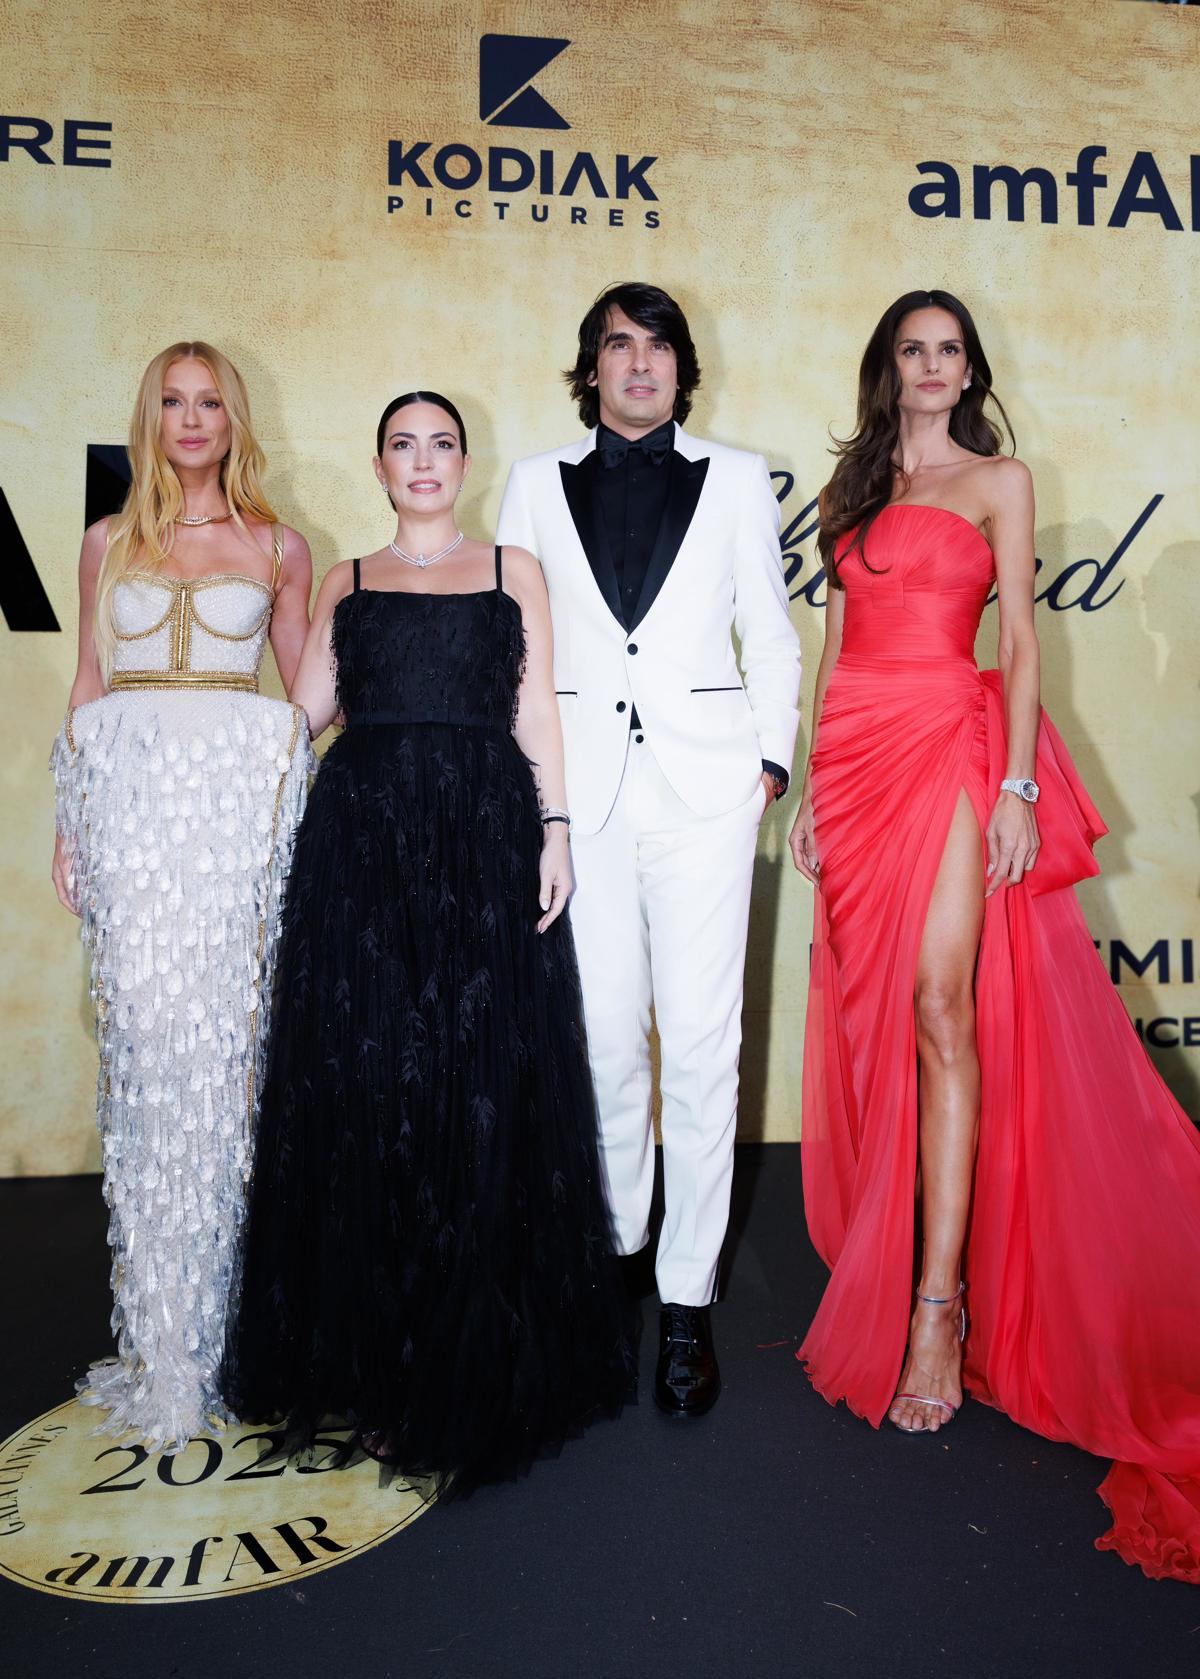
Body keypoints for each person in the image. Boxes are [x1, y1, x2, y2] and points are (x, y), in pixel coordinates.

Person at [789, 288, 1200, 1583]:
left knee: (940, 1006)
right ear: (888, 367)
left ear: (969, 370)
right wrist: (810, 786)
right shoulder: (850, 490)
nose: (931, 366)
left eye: (949, 350)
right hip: (855, 758)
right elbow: (832, 648)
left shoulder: (1000, 481)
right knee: (878, 1017)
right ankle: (894, 1246)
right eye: (912, 349)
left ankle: (937, 1307)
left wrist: (1019, 782)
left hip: (951, 748)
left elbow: (1020, 639)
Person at [224, 392, 631, 1492]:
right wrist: (200, 722)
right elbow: (302, 715)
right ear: (378, 465)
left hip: (483, 838)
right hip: (361, 847)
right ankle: (377, 1359)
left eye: (440, 443)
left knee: (472, 1082)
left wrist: (555, 829)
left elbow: (536, 713)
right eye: (402, 444)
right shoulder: (348, 579)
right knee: (370, 1090)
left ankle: (464, 1353)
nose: (422, 460)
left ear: (464, 461)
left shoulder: (511, 570)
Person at [498, 284, 801, 1417]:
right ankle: (619, 1251)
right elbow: (514, 645)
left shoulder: (738, 477)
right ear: (592, 368)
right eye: (619, 344)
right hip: (582, 799)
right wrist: (528, 791)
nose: (640, 362)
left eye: (658, 344)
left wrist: (768, 765)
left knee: (705, 1048)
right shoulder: (534, 482)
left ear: (681, 365)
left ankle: (685, 1297)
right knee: (605, 1045)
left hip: (708, 793)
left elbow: (772, 633)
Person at [49, 340, 314, 1453]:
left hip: (232, 832)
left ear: (234, 418)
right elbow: (88, 682)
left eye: (210, 401)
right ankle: (164, 1338)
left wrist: (299, 808)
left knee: (232, 1060)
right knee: (149, 1054)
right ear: (151, 417)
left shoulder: (279, 546)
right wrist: (69, 823)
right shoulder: (106, 541)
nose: (192, 418)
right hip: (132, 829)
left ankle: (234, 1332)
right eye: (173, 401)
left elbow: (307, 695)